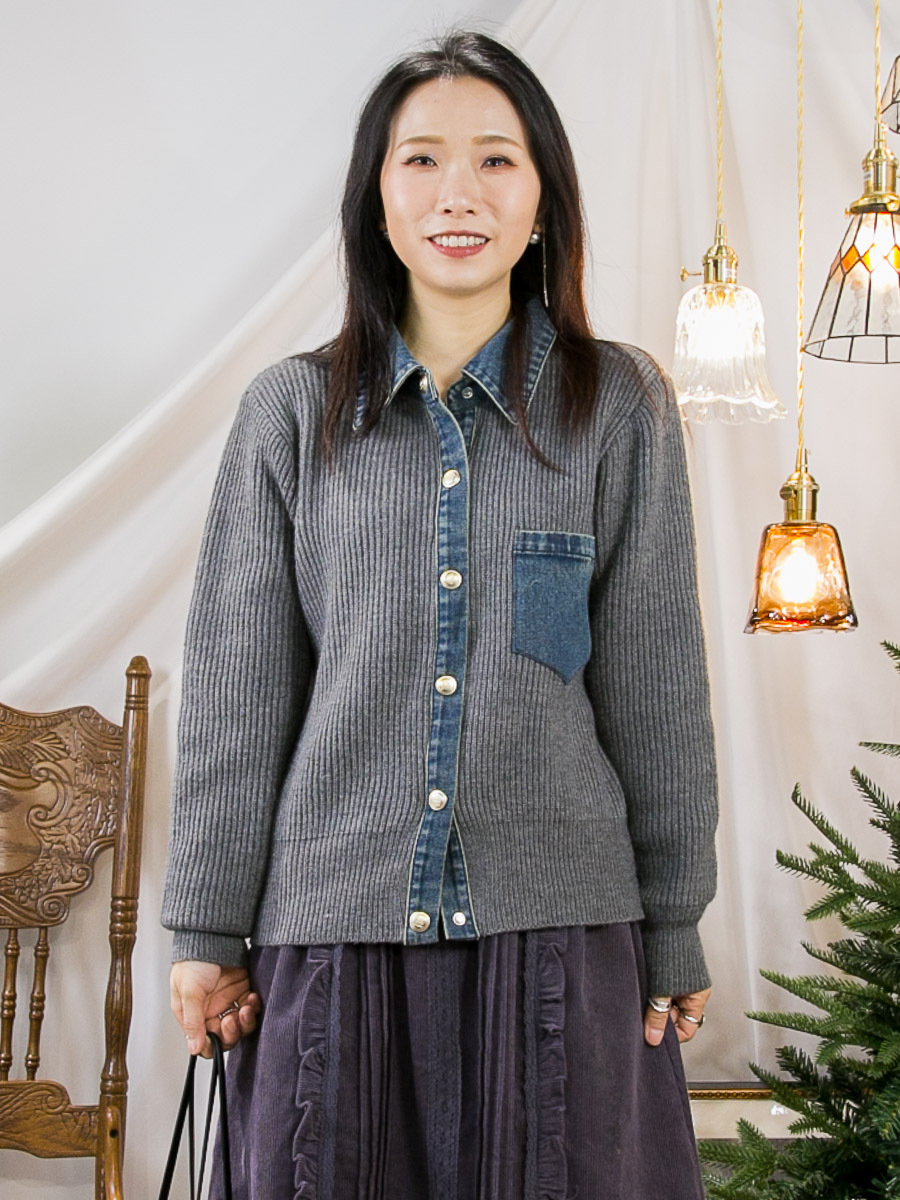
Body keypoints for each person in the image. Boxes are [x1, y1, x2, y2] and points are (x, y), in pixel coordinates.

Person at [161, 28, 718, 1200]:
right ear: (377, 197)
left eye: (496, 160)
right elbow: (237, 697)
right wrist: (206, 932)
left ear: (544, 200)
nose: (458, 193)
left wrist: (674, 921)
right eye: (421, 159)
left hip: (563, 937)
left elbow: (657, 685)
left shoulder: (619, 406)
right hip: (334, 936)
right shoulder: (288, 415)